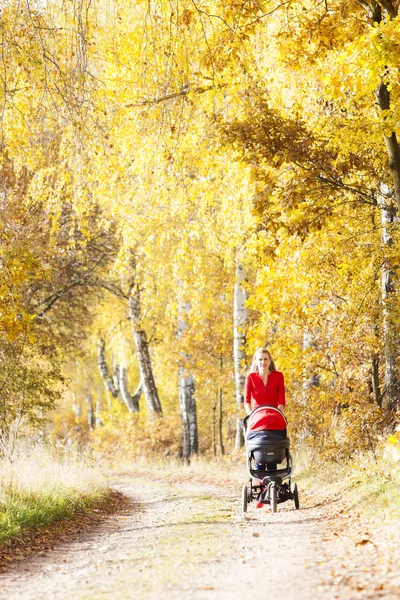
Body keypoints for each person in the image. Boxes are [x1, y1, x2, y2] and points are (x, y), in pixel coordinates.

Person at [244, 347, 286, 417]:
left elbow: (281, 401)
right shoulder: (250, 377)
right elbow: (246, 401)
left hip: (274, 415)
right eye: (260, 359)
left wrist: (278, 415)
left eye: (266, 359)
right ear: (256, 362)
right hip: (256, 416)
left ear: (270, 361)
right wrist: (250, 415)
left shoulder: (278, 376)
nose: (263, 362)